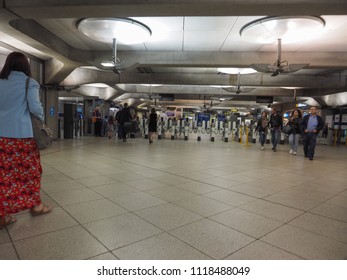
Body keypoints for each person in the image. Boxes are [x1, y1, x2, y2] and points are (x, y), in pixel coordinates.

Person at [0, 52, 52, 229]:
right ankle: (36, 206)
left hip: (1, 138)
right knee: (30, 172)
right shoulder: (29, 83)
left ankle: (2, 214)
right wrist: (41, 119)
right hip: (23, 136)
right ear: (25, 66)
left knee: (3, 175)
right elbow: (35, 107)